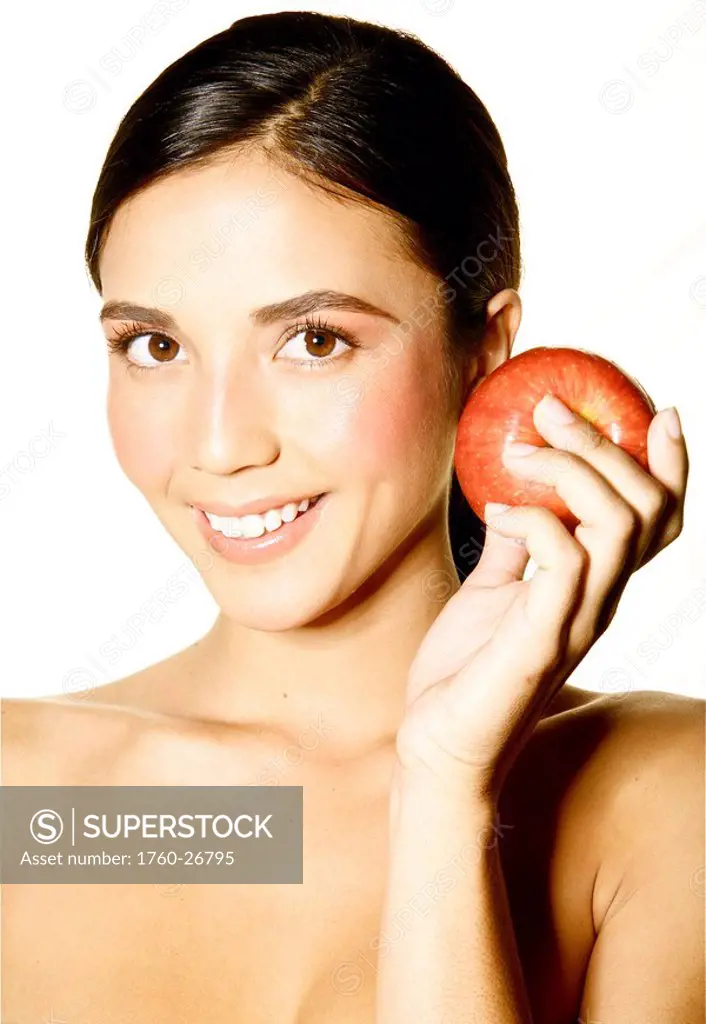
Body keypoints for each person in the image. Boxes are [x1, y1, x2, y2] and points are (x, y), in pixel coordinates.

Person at [2, 10, 703, 1023]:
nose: (219, 444)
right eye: (154, 347)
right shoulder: (39, 806)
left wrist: (445, 785)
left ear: (485, 347)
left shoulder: (660, 800)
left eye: (314, 340)